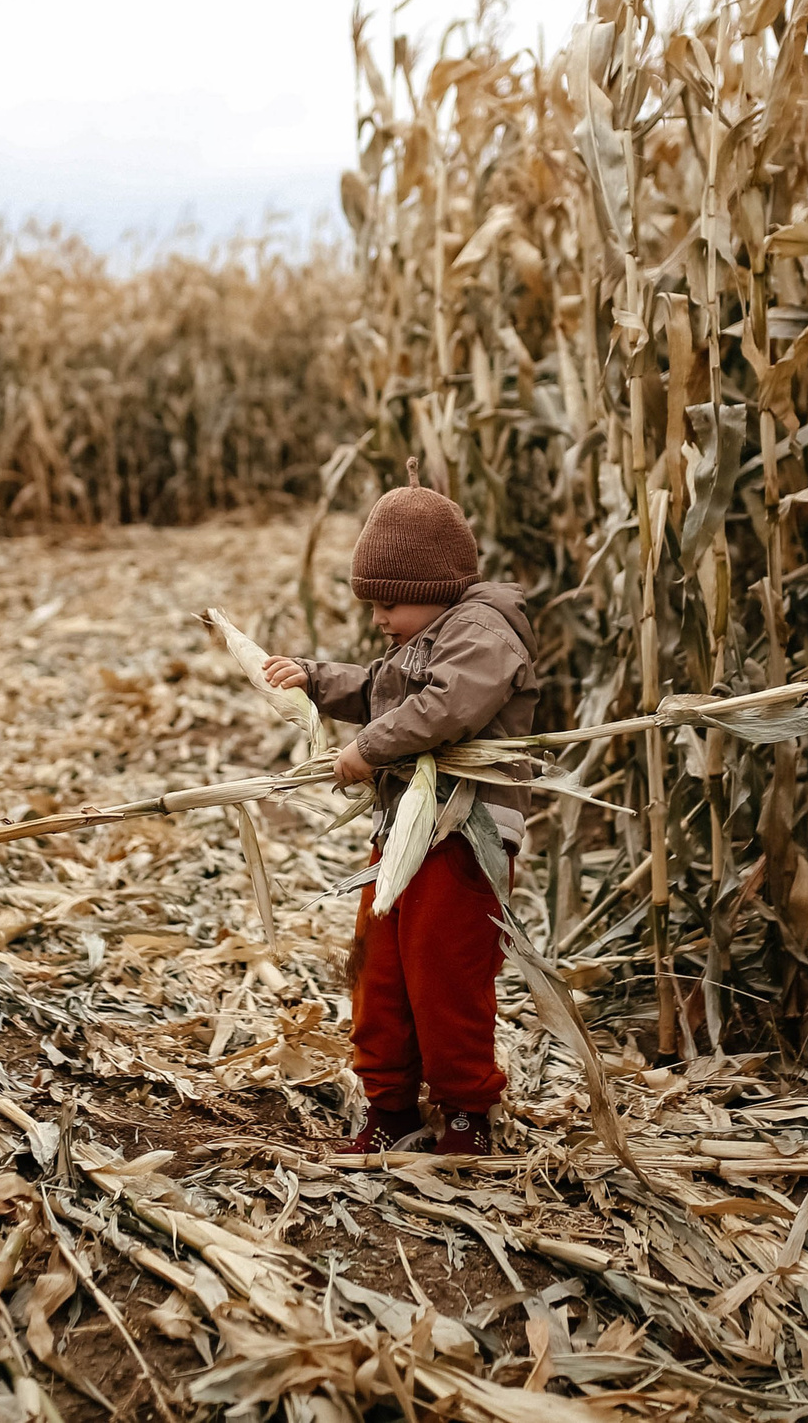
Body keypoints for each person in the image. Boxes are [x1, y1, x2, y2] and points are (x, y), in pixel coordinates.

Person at [263, 462, 536, 1156]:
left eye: (388, 602)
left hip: (463, 838)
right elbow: (385, 689)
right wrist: (316, 680)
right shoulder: (422, 635)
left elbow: (444, 707)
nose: (379, 617)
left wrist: (367, 749)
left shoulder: (483, 631)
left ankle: (468, 1114)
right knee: (380, 972)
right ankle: (389, 1107)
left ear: (434, 588)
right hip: (405, 832)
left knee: (446, 974)